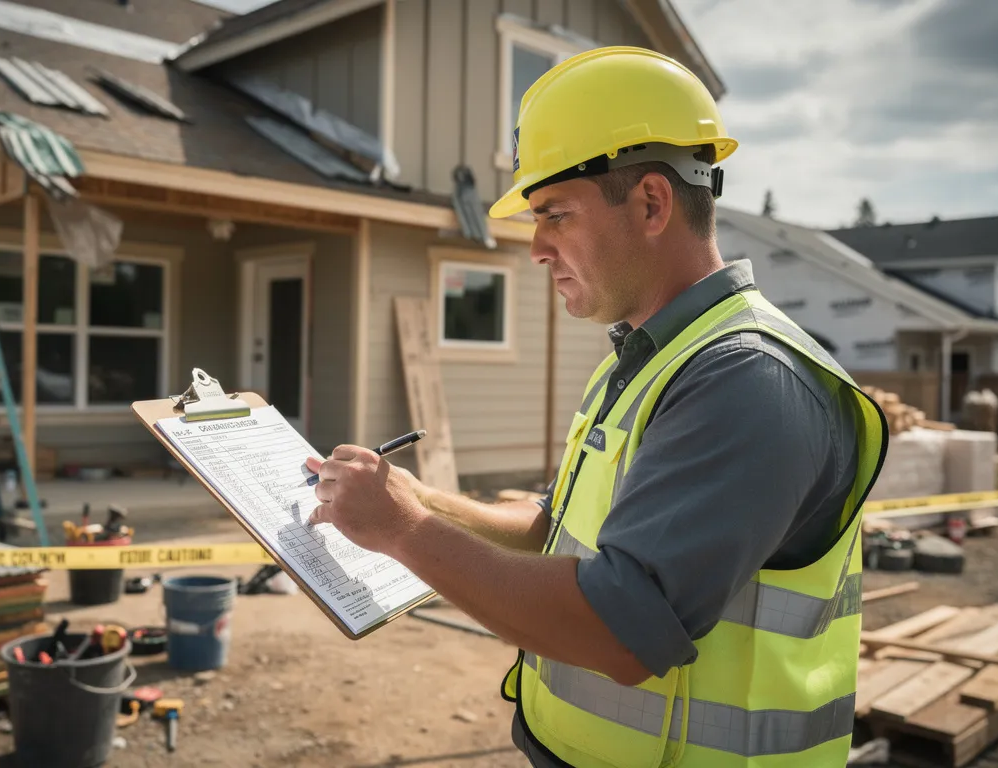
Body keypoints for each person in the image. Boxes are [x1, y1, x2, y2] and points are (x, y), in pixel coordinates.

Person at [304, 46, 888, 767]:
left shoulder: (748, 381)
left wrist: (402, 529)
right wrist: (421, 499)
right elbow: (553, 532)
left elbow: (618, 627)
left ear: (651, 203)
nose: (537, 248)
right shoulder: (649, 358)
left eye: (554, 215)